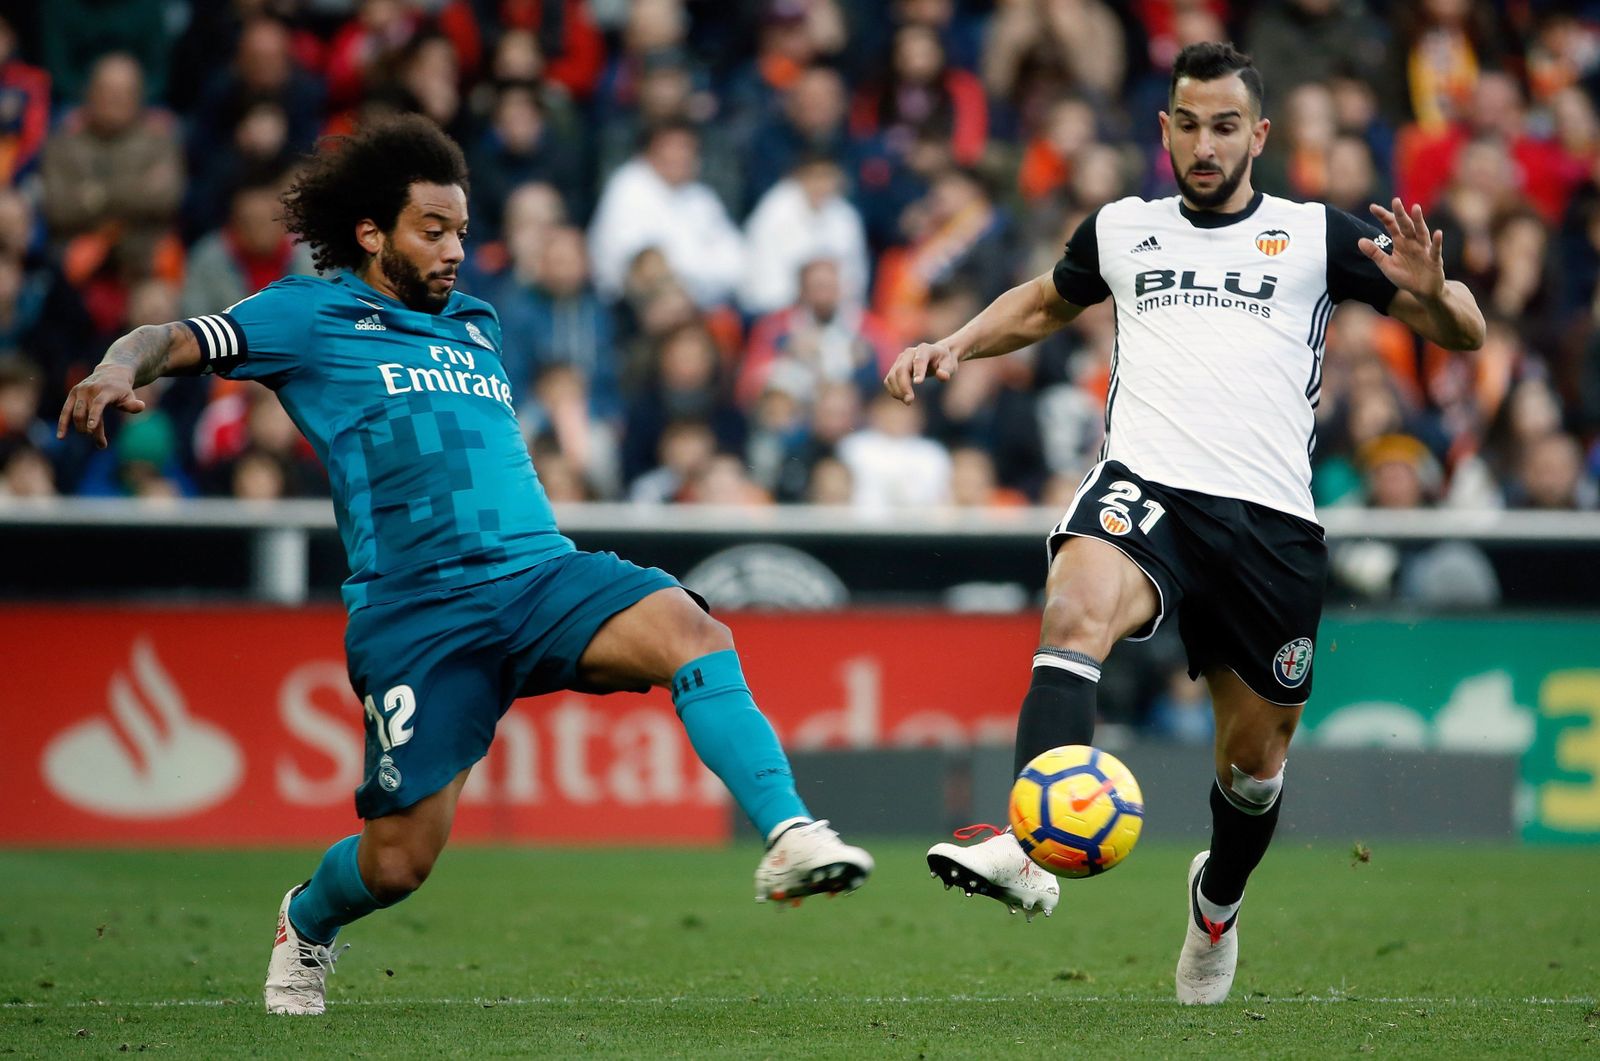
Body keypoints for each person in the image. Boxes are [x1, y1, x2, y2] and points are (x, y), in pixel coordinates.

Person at [57, 114, 873, 1016]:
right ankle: (308, 918)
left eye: (460, 231)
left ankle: (791, 832)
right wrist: (112, 366)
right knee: (399, 862)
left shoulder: (475, 322)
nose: (454, 251)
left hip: (538, 578)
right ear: (372, 234)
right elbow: (168, 338)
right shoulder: (306, 313)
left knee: (694, 628)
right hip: (418, 613)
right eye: (432, 231)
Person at [882, 42, 1484, 1005]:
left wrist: (1432, 287)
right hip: (1147, 488)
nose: (1205, 145)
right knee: (1073, 609)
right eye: (1189, 124)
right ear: (1163, 129)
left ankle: (1216, 901)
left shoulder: (1313, 234)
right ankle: (1028, 846)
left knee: (1253, 768)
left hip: (1271, 525)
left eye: (1225, 126)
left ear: (1260, 135)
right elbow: (1045, 301)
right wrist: (954, 342)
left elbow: (1463, 333)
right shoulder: (1123, 229)